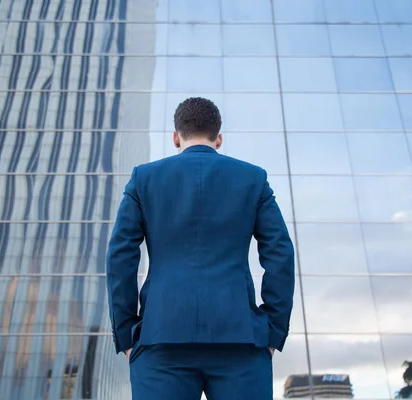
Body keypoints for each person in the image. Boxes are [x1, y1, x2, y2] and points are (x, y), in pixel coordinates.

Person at [106, 97, 295, 400]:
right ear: (218, 138)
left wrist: (127, 331)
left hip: (160, 338)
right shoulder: (253, 178)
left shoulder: (144, 179)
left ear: (175, 137)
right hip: (241, 340)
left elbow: (120, 257)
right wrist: (273, 330)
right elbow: (280, 253)